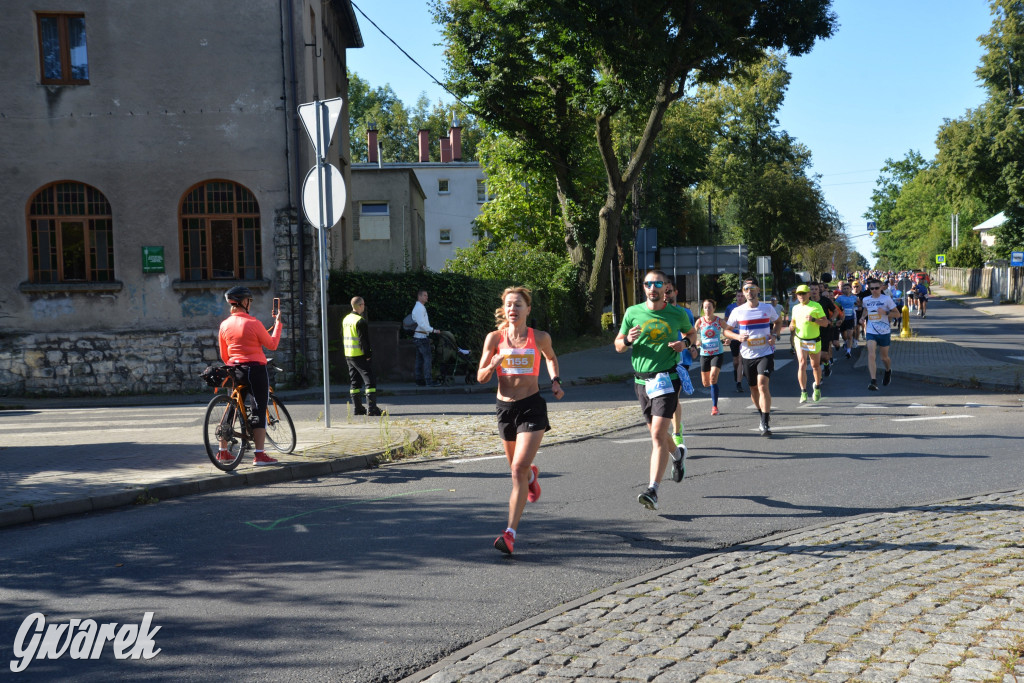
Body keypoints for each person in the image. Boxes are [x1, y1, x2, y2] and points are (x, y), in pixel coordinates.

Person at [477, 287, 564, 555]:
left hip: (532, 407)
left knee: (516, 470)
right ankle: (531, 476)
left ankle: (510, 533)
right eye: (508, 305)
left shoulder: (539, 337)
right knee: (519, 470)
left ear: (528, 309)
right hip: (505, 409)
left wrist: (555, 380)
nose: (512, 309)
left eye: (518, 305)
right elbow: (480, 376)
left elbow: (551, 357)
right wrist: (493, 364)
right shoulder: (494, 339)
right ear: (503, 310)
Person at [616, 270, 697, 510]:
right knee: (659, 435)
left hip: (667, 379)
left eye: (657, 284)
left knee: (657, 435)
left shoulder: (677, 313)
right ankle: (678, 456)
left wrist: (686, 343)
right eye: (648, 284)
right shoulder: (632, 313)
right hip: (641, 382)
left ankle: (653, 490)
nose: (653, 287)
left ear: (666, 288)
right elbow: (618, 345)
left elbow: (692, 334)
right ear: (644, 288)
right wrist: (628, 340)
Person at [217, 286, 282, 466]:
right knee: (258, 408)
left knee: (232, 407)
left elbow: (224, 355)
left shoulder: (224, 325)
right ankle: (259, 455)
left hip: (234, 369)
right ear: (244, 302)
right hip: (255, 370)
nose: (250, 304)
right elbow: (272, 344)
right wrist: (277, 324)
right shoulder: (254, 323)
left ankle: (222, 451)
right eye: (249, 301)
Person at [725, 279, 781, 436]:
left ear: (758, 290)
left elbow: (778, 322)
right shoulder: (738, 311)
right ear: (743, 292)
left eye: (752, 288)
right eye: (746, 289)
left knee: (762, 385)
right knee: (753, 388)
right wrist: (737, 336)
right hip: (747, 355)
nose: (750, 291)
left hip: (765, 352)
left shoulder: (767, 308)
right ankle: (761, 412)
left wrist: (775, 335)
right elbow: (726, 331)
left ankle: (765, 421)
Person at [664, 280, 696, 469]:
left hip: (681, 360)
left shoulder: (685, 313)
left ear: (676, 291)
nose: (666, 294)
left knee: (674, 397)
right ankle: (672, 430)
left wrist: (692, 347)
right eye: (664, 291)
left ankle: (676, 432)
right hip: (663, 361)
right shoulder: (659, 312)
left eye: (669, 291)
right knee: (668, 397)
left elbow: (691, 333)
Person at [342, 296, 381, 417]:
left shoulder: (346, 319)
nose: (364, 306)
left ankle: (358, 408)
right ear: (359, 305)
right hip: (359, 355)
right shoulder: (360, 321)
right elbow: (363, 340)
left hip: (349, 354)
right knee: (370, 380)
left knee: (354, 382)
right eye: (363, 304)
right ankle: (372, 408)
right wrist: (368, 355)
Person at [789, 284, 828, 403]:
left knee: (815, 366)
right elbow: (793, 322)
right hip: (800, 340)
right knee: (802, 364)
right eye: (799, 294)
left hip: (814, 341)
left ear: (809, 294)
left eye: (803, 293)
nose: (801, 296)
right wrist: (791, 326)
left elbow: (825, 323)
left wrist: (814, 320)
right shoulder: (795, 308)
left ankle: (816, 387)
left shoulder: (816, 306)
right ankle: (803, 392)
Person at [862, 278, 900, 391]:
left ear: (881, 287)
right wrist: (862, 317)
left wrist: (886, 313)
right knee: (871, 354)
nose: (874, 290)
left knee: (884, 358)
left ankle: (888, 370)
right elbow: (865, 310)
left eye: (876, 288)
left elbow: (897, 315)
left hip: (884, 332)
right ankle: (873, 381)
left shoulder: (886, 299)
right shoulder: (866, 299)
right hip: (871, 331)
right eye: (871, 288)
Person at [694, 298, 729, 416]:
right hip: (704, 354)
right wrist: (696, 342)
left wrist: (728, 338)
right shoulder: (699, 321)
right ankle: (713, 393)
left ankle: (715, 407)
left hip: (717, 353)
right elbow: (692, 334)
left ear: (714, 308)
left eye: (709, 307)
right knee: (705, 383)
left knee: (713, 377)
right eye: (705, 307)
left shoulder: (719, 321)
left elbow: (728, 330)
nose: (707, 310)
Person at [411, 290, 442, 386]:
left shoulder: (419, 307)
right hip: (421, 337)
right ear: (419, 297)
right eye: (424, 295)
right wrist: (433, 330)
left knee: (419, 359)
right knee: (427, 359)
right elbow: (422, 324)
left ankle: (419, 380)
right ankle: (428, 380)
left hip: (418, 337)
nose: (426, 297)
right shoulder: (420, 308)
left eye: (427, 295)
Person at [724, 289, 746, 392]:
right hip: (734, 336)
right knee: (736, 360)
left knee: (741, 360)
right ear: (736, 297)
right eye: (738, 296)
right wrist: (727, 336)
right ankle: (736, 371)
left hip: (744, 337)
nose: (740, 298)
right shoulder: (730, 307)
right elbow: (726, 322)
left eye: (742, 296)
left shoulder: (748, 308)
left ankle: (739, 383)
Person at [834, 282, 861, 359]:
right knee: (844, 335)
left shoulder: (854, 298)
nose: (846, 290)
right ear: (842, 290)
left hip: (851, 318)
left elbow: (859, 305)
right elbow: (835, 307)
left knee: (849, 335)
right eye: (844, 289)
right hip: (842, 319)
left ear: (850, 289)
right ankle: (846, 343)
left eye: (847, 288)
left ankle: (848, 351)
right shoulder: (839, 298)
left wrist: (859, 307)